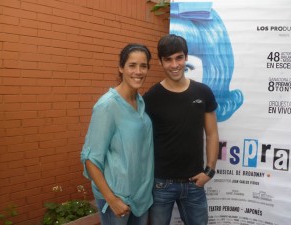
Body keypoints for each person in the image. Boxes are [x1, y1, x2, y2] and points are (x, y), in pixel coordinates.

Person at [143, 34, 219, 225]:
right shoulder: (151, 97)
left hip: (194, 182)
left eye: (178, 58)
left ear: (186, 57)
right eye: (168, 59)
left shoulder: (203, 92)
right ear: (161, 62)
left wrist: (209, 171)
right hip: (161, 184)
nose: (174, 64)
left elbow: (212, 134)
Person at [81, 43, 154, 225]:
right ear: (121, 68)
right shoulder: (108, 106)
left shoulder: (139, 102)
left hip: (141, 199)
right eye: (132, 65)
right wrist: (112, 201)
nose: (138, 71)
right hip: (118, 200)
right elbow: (90, 160)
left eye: (143, 66)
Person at [169, 2, 244, 122]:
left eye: (186, 68)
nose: (175, 68)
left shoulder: (206, 104)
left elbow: (212, 136)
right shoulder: (156, 97)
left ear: (213, 69)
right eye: (168, 60)